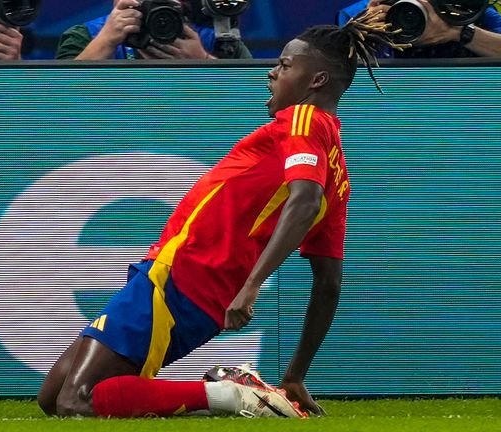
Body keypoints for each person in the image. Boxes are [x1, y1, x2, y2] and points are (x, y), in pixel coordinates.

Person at [38, 13, 403, 419]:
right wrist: (296, 374)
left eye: (284, 66)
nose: (272, 73)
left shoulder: (304, 119)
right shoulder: (338, 175)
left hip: (183, 276)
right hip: (200, 294)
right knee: (53, 396)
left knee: (77, 400)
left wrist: (251, 285)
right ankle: (229, 393)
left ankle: (231, 394)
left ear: (316, 80)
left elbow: (303, 200)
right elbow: (329, 283)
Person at [55, 0, 252, 60]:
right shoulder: (87, 36)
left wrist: (203, 61)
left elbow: (257, 101)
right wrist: (105, 42)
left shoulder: (217, 43)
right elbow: (55, 100)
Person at [338, 0, 501, 57]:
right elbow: (336, 77)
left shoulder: (466, 11)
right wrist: (364, 37)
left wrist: (458, 32)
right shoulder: (361, 13)